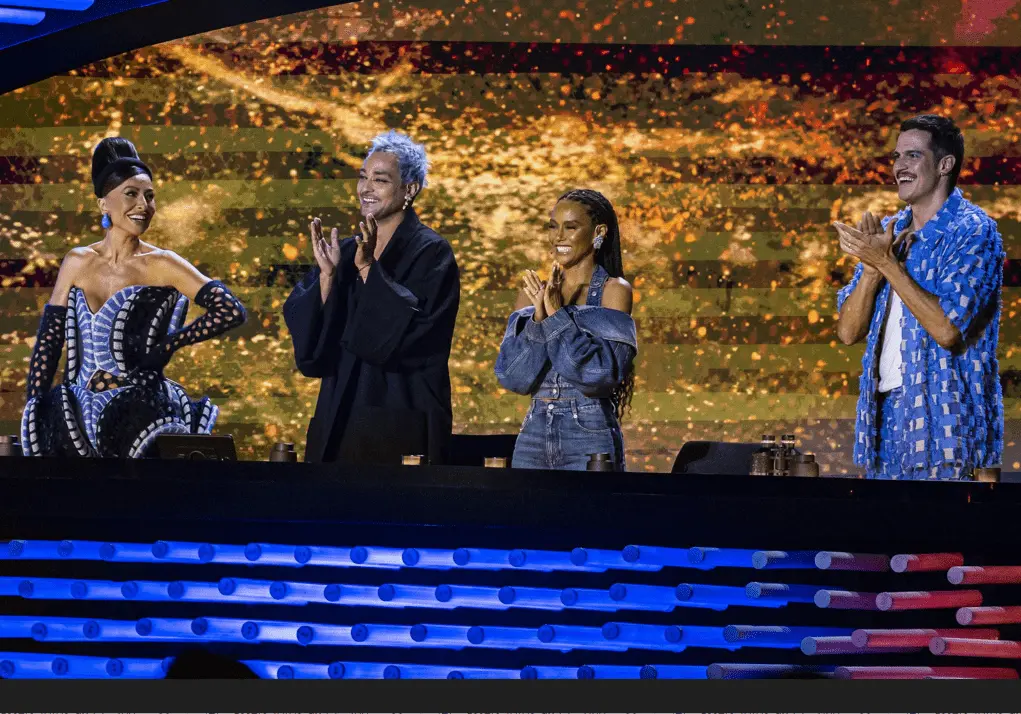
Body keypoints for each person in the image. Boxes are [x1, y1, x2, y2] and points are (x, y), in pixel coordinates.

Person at [20, 137, 247, 458]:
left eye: (150, 196)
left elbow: (229, 310)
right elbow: (50, 339)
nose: (144, 204)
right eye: (131, 193)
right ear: (103, 204)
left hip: (138, 407)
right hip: (72, 408)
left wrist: (167, 347)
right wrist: (36, 406)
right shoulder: (77, 260)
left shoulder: (163, 263)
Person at [834, 114, 1004, 480]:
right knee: (886, 534)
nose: (899, 167)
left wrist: (887, 263)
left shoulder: (973, 231)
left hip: (949, 422)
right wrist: (870, 269)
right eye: (896, 157)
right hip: (886, 419)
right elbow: (848, 332)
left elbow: (947, 330)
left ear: (945, 165)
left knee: (944, 535)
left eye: (912, 156)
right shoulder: (889, 234)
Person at [284, 131, 459, 465]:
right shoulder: (346, 250)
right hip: (338, 413)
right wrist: (327, 279)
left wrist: (368, 270)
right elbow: (312, 350)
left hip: (399, 413)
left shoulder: (432, 252)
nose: (365, 189)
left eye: (380, 180)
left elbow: (413, 336)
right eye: (363, 177)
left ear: (410, 189)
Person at [495, 189, 637, 471]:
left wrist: (557, 315)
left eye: (571, 227)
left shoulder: (614, 291)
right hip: (532, 435)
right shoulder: (532, 295)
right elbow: (514, 378)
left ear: (598, 231)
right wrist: (538, 316)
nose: (558, 236)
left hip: (589, 434)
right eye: (553, 226)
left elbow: (597, 376)